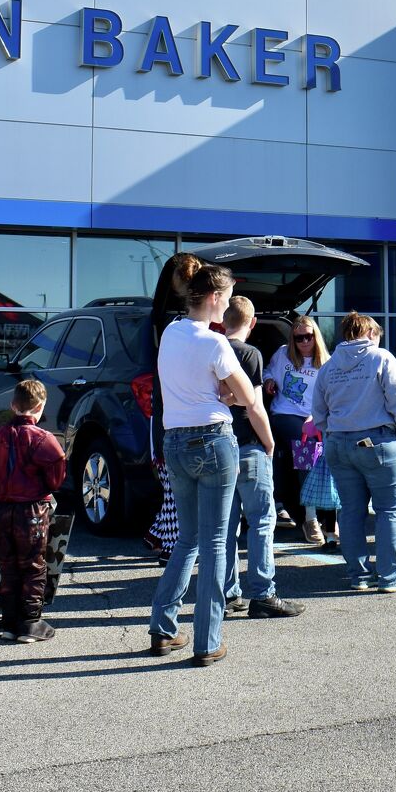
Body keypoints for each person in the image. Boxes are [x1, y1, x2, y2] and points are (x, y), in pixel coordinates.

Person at [149, 263, 273, 665]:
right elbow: (249, 399)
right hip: (213, 440)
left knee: (187, 539)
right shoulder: (216, 344)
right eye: (228, 295)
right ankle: (207, 641)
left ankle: (163, 628)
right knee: (217, 542)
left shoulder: (170, 333)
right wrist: (227, 396)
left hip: (175, 440)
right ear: (215, 298)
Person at [311, 312, 396, 592]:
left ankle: (359, 575)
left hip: (338, 443)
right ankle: (390, 577)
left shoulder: (329, 367)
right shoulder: (381, 358)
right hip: (379, 441)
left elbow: (318, 411)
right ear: (370, 333)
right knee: (389, 511)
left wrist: (331, 431)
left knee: (351, 510)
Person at [220, 296, 303, 620]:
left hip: (219, 448)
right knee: (261, 522)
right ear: (252, 323)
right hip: (248, 448)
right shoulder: (248, 353)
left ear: (224, 320)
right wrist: (268, 443)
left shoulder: (210, 350)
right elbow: (253, 406)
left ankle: (227, 595)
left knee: (224, 528)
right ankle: (263, 594)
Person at [0, 378, 69, 642]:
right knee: (33, 565)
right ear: (41, 406)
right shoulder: (44, 439)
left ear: (13, 405)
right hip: (33, 509)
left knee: (8, 564)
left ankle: (9, 619)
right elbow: (56, 477)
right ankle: (30, 622)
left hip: (6, 507)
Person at [141, 252, 203, 558]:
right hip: (180, 415)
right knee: (177, 489)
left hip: (167, 413)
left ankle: (160, 537)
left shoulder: (164, 322)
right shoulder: (188, 327)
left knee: (173, 485)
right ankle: (168, 544)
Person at [264, 315, 331, 545]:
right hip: (284, 414)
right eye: (298, 337)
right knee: (307, 450)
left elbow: (330, 395)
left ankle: (322, 516)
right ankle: (310, 518)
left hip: (314, 418)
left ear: (316, 337)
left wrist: (318, 415)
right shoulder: (283, 354)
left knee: (318, 458)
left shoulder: (326, 363)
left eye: (308, 337)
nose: (303, 342)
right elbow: (268, 372)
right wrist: (269, 381)